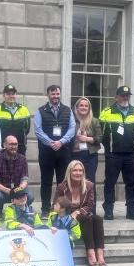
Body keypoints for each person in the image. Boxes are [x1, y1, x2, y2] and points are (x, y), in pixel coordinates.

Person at [99, 85, 134, 221]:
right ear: (116, 97)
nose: (125, 98)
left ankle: (131, 211)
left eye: (127, 95)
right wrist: (108, 148)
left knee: (132, 183)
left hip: (130, 154)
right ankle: (109, 211)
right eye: (122, 95)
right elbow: (102, 133)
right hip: (113, 154)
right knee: (110, 182)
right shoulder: (106, 112)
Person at [54, 160, 105, 266]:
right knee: (87, 219)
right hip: (67, 217)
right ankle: (91, 253)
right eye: (75, 170)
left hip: (82, 214)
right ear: (69, 172)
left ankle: (100, 254)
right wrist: (67, 215)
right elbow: (55, 205)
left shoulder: (89, 185)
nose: (78, 173)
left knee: (98, 219)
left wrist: (78, 212)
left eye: (80, 170)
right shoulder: (62, 187)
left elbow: (90, 204)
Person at [34, 85, 75, 217]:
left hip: (63, 152)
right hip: (46, 152)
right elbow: (38, 130)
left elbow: (72, 128)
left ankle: (60, 209)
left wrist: (61, 142)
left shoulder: (67, 110)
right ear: (48, 95)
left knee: (62, 183)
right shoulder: (40, 111)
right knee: (46, 182)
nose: (56, 96)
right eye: (53, 94)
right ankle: (45, 209)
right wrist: (51, 143)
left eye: (57, 94)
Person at [0, 136, 31, 210]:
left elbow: (25, 179)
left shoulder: (22, 159)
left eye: (15, 144)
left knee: (30, 196)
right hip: (2, 191)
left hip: (17, 190)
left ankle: (19, 212)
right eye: (11, 144)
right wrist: (8, 191)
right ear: (4, 145)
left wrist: (19, 190)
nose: (14, 147)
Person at [71, 96, 102, 190]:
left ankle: (91, 200)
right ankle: (76, 200)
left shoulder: (94, 121)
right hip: (74, 154)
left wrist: (87, 139)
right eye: (81, 105)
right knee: (75, 181)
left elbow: (100, 138)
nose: (83, 107)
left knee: (90, 181)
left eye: (86, 106)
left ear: (89, 108)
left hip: (90, 155)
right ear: (77, 107)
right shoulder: (71, 121)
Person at [0, 84, 31, 155]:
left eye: (13, 94)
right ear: (3, 95)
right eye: (8, 94)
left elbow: (27, 129)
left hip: (20, 147)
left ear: (16, 95)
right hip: (2, 147)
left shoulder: (24, 109)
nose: (11, 96)